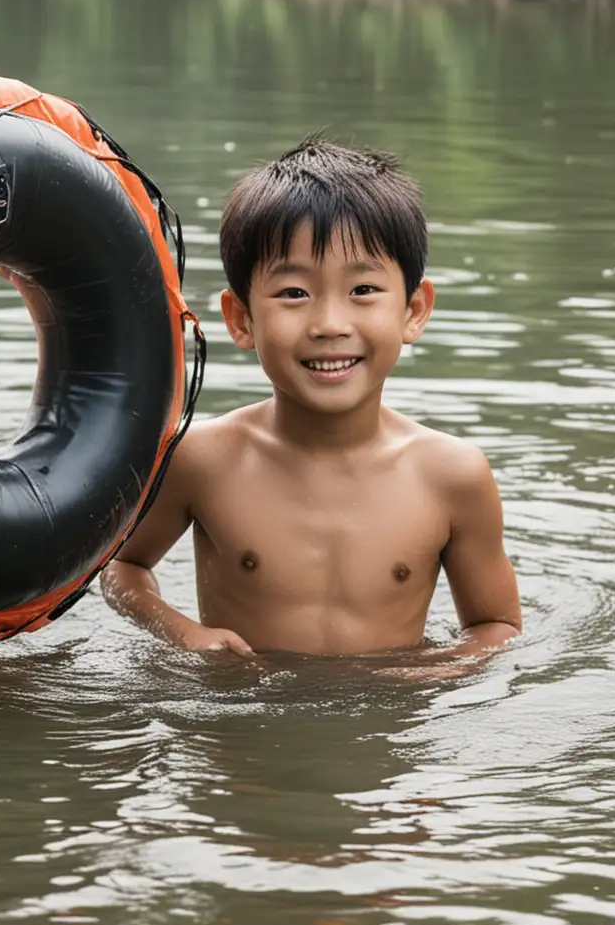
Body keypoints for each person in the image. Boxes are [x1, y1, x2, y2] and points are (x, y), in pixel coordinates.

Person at [103, 137, 521, 661]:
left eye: (363, 290)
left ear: (413, 310)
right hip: (238, 722)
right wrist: (185, 633)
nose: (329, 325)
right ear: (241, 320)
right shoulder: (202, 459)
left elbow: (497, 625)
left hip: (390, 731)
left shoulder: (452, 476)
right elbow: (122, 570)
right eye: (293, 293)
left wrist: (440, 672)